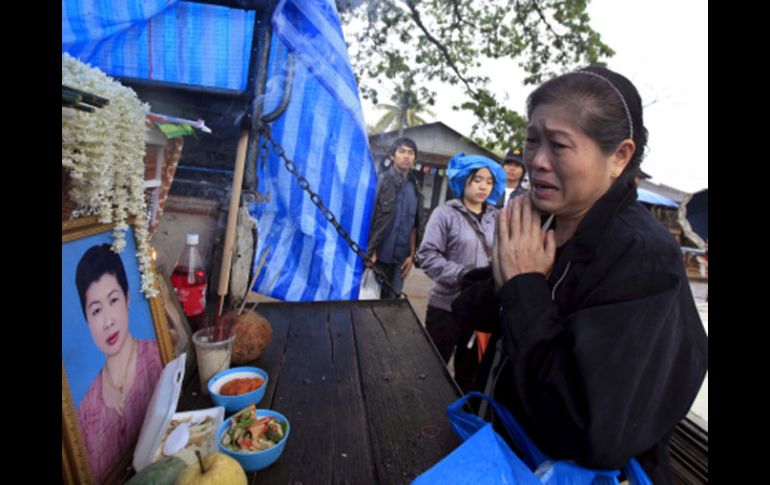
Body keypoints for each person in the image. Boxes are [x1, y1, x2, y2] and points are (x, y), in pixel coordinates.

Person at [452, 66, 708, 484]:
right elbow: (471, 310)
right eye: (532, 140)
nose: (536, 161)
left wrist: (524, 287)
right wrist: (507, 270)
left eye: (559, 145)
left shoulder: (642, 258)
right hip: (499, 454)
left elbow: (588, 429)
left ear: (620, 156)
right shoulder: (544, 222)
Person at [415, 153, 506, 392]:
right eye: (477, 179)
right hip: (446, 307)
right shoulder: (444, 214)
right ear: (464, 180)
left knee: (470, 376)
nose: (483, 186)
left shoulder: (497, 219)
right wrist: (461, 275)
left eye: (489, 181)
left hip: (479, 312)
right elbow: (427, 255)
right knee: (432, 370)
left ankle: (460, 422)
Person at [75, 244, 163, 484]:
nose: (107, 321)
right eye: (95, 311)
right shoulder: (85, 413)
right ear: (87, 321)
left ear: (127, 298)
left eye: (113, 300)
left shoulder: (159, 359)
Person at [366, 137, 427, 298]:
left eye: (410, 153)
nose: (406, 156)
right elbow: (370, 217)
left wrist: (411, 255)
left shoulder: (416, 188)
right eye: (401, 152)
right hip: (378, 257)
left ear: (415, 158)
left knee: (391, 304)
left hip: (401, 260)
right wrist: (370, 251)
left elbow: (415, 224)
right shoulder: (382, 181)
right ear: (392, 156)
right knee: (370, 303)